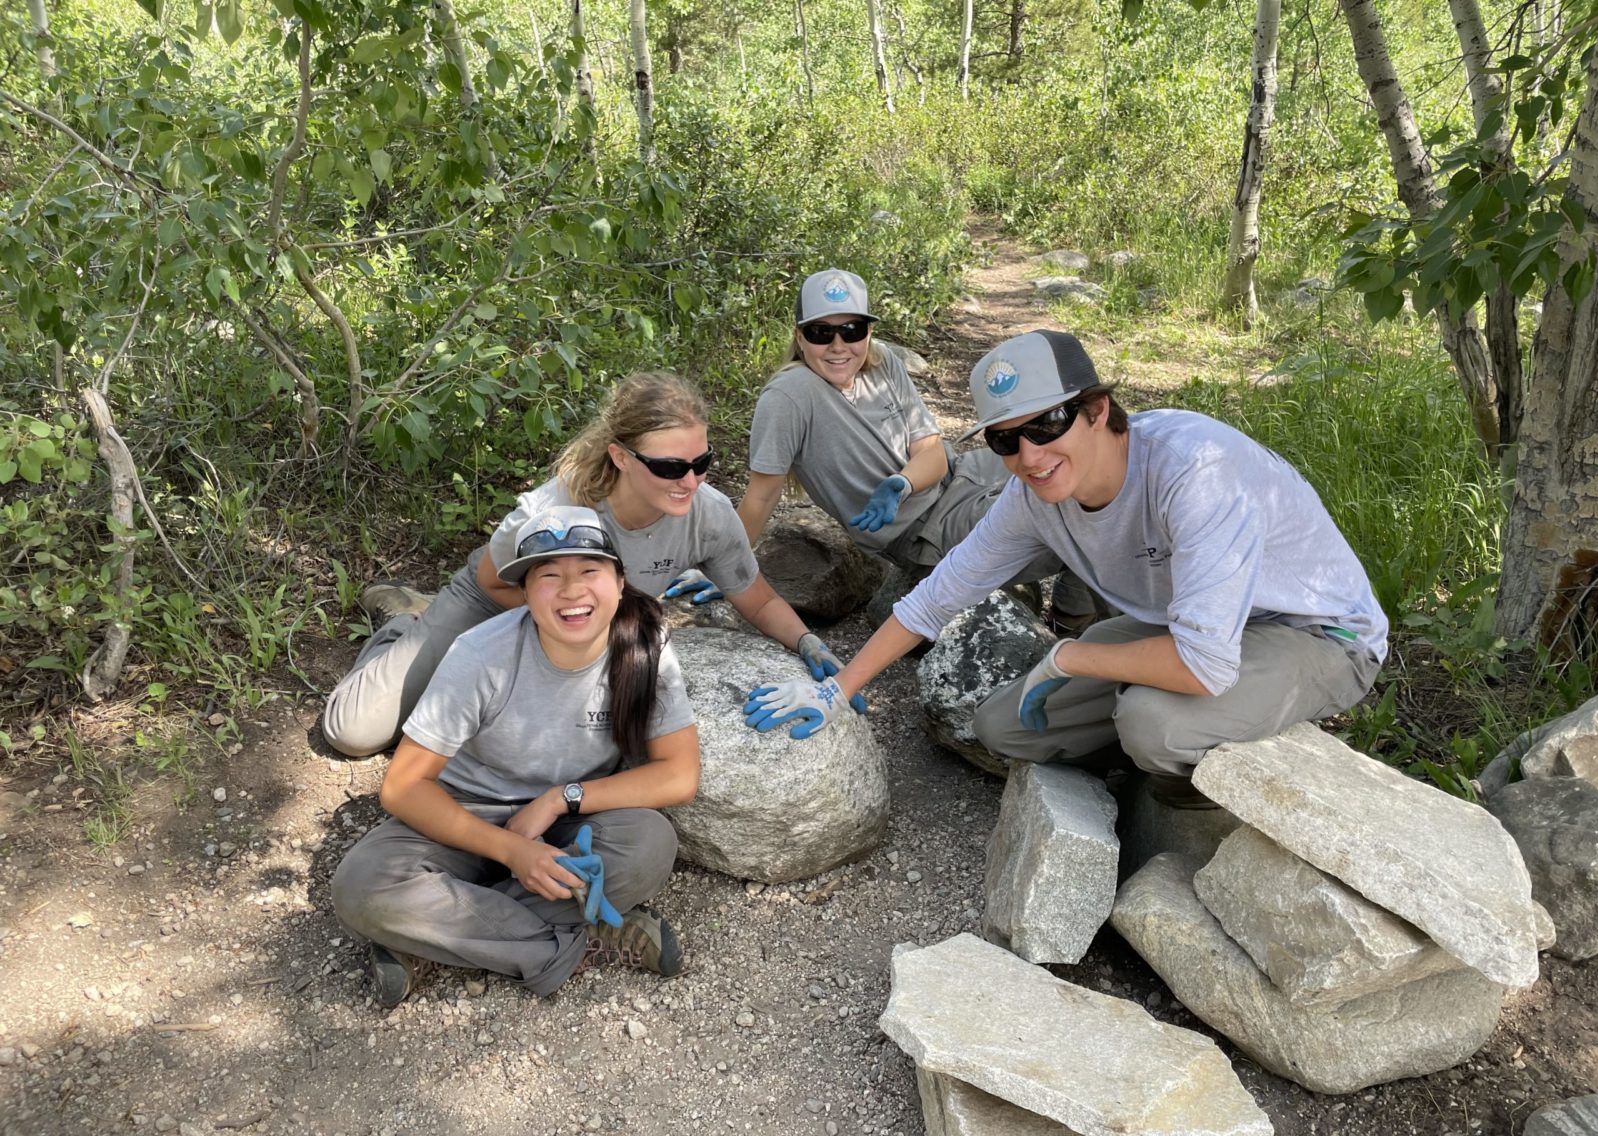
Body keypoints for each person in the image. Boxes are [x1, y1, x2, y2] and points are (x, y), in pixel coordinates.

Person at [743, 329, 1388, 801]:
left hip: (1316, 631)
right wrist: (835, 690)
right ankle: (1136, 756)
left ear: (1096, 410)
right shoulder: (1033, 497)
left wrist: (1072, 657)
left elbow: (1205, 662)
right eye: (1004, 439)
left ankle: (1177, 799)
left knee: (1152, 723)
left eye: (1047, 423)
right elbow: (937, 596)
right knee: (1003, 726)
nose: (1029, 454)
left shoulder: (1193, 472)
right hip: (1197, 624)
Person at [322, 371, 850, 758]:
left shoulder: (706, 515)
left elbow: (754, 597)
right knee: (355, 734)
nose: (690, 481)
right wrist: (589, 627)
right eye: (670, 466)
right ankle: (403, 626)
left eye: (702, 462)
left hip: (582, 626)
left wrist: (807, 643)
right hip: (496, 605)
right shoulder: (557, 509)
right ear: (621, 457)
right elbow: (492, 582)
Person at [331, 507, 697, 1007]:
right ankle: (586, 939)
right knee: (364, 885)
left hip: (571, 820)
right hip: (466, 811)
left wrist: (558, 800)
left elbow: (679, 774)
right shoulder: (481, 654)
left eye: (589, 571)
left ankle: (435, 942)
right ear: (524, 594)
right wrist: (512, 852)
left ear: (619, 579)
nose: (572, 591)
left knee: (648, 843)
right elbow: (403, 787)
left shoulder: (645, 645)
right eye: (549, 576)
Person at [735, 268, 1082, 609]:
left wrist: (901, 483)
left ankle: (1095, 616)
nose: (838, 346)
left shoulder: (882, 361)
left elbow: (932, 452)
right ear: (799, 337)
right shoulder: (789, 395)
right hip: (929, 528)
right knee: (1069, 510)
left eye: (852, 330)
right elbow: (762, 495)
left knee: (1089, 469)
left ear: (868, 332)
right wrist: (729, 566)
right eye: (821, 332)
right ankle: (1074, 622)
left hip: (964, 474)